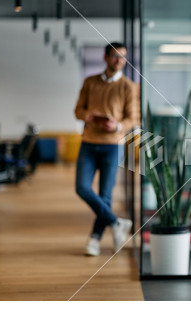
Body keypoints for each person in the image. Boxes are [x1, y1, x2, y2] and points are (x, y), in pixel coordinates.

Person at [74, 42, 138, 256]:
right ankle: (117, 222)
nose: (119, 60)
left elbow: (133, 118)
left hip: (112, 146)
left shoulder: (128, 86)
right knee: (82, 188)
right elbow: (77, 110)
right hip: (89, 143)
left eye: (123, 57)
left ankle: (94, 239)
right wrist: (89, 115)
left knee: (105, 195)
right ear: (105, 57)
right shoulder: (90, 82)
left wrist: (117, 125)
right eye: (115, 56)